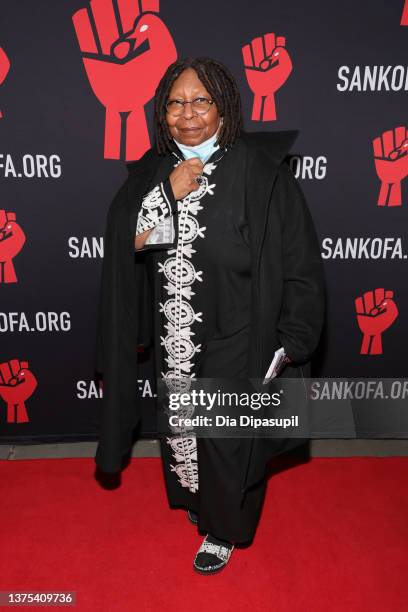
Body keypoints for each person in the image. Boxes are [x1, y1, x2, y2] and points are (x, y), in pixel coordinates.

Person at [95, 56, 326, 575]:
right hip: (176, 330)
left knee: (228, 443)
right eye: (175, 103)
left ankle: (224, 531)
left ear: (224, 108)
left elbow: (301, 261)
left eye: (201, 100)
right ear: (162, 113)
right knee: (183, 434)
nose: (188, 113)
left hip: (242, 333)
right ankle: (201, 508)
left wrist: (291, 339)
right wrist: (166, 196)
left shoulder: (263, 174)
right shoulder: (152, 172)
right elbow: (126, 245)